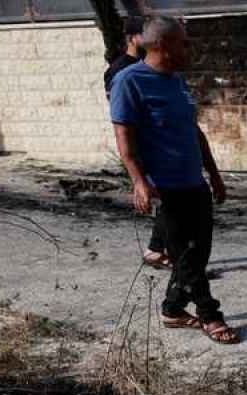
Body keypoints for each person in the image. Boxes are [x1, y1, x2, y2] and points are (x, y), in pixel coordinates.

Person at [109, 17, 241, 345]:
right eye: (184, 42)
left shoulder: (177, 80)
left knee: (198, 254)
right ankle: (210, 314)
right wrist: (139, 182)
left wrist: (214, 174)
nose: (189, 48)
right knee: (185, 255)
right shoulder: (129, 81)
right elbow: (125, 141)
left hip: (193, 181)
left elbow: (194, 132)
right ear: (162, 45)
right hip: (165, 186)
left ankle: (172, 309)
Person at [103, 15, 168, 269]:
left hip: (158, 142)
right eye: (145, 34)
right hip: (143, 144)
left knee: (169, 197)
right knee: (169, 197)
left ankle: (158, 249)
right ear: (133, 38)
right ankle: (159, 251)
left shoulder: (149, 65)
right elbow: (122, 115)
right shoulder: (121, 71)